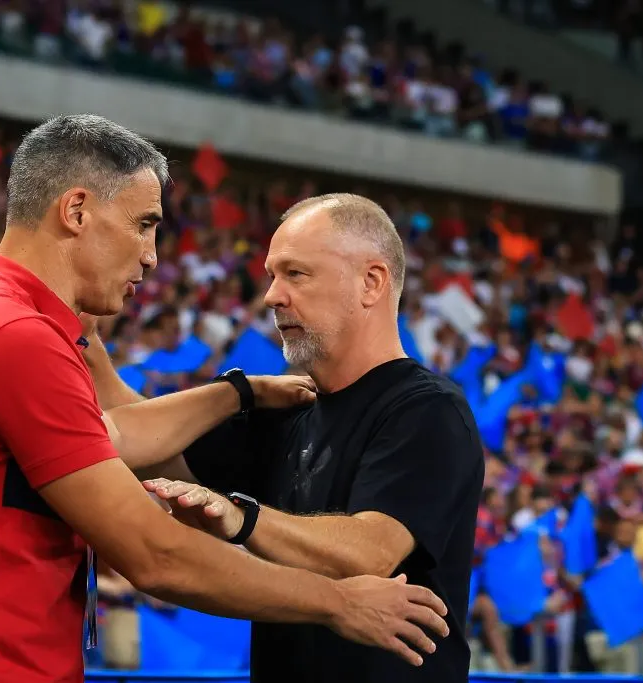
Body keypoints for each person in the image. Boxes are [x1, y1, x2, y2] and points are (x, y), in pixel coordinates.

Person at [0, 116, 449, 683]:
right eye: (144, 224)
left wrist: (236, 394)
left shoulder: (5, 323)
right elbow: (156, 554)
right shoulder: (14, 335)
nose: (151, 254)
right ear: (76, 212)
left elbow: (121, 436)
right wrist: (338, 602)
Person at [88, 193, 484, 682]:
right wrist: (78, 320)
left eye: (295, 274)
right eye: (272, 275)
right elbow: (134, 439)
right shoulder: (288, 409)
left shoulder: (427, 409)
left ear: (371, 282)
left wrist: (242, 517)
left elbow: (370, 552)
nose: (272, 295)